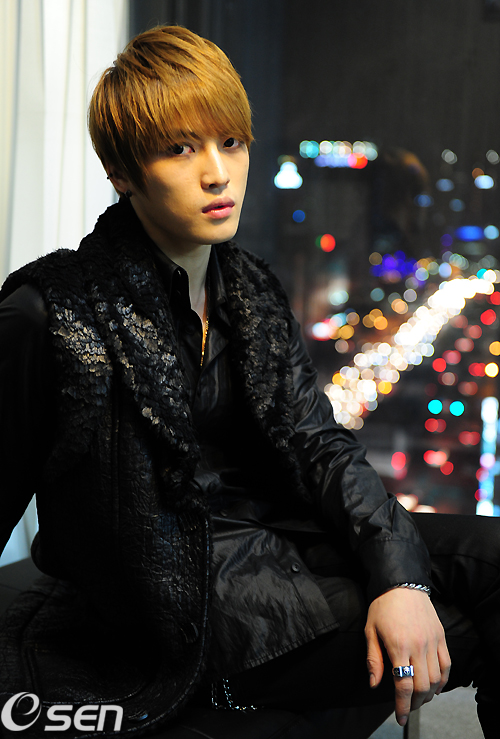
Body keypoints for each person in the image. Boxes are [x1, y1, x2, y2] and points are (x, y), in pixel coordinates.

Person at [0, 24, 498, 739]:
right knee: (456, 631)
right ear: (121, 172)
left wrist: (400, 576)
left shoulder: (251, 291)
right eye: (180, 149)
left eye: (230, 142)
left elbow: (319, 444)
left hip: (279, 542)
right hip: (186, 605)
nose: (217, 173)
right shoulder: (51, 311)